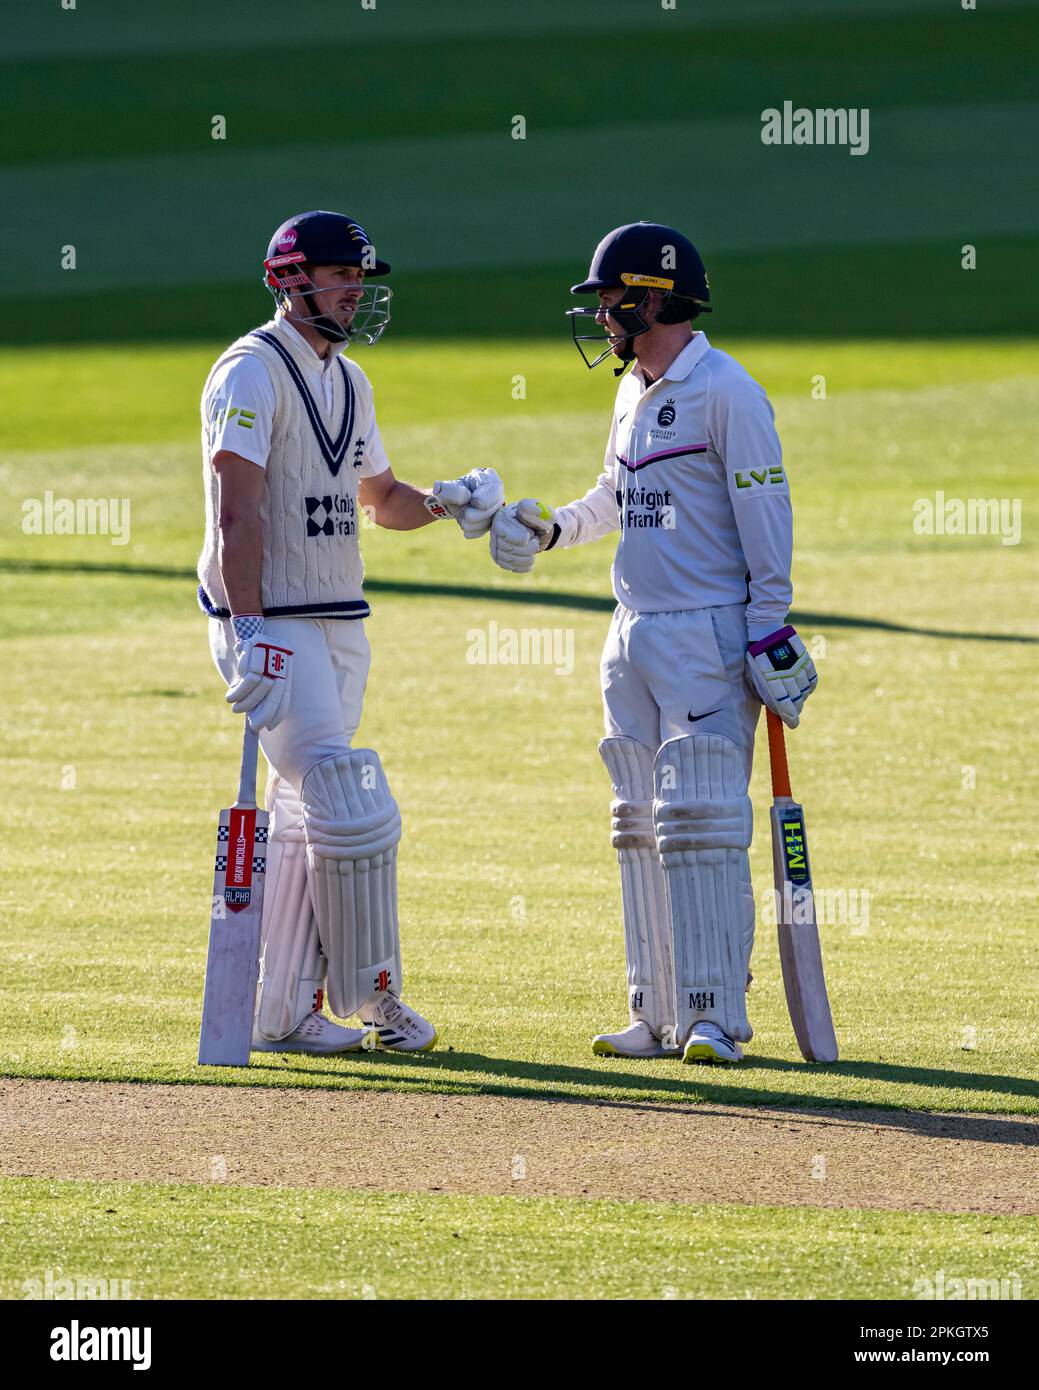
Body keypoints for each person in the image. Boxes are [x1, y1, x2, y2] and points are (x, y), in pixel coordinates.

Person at [489, 221, 817, 1064]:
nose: (600, 317)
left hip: (707, 629)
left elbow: (765, 515)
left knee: (703, 821)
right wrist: (555, 528)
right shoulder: (633, 386)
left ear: (651, 296)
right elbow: (613, 492)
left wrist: (767, 629)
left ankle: (715, 1016)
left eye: (608, 300)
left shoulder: (726, 390)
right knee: (637, 819)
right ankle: (656, 1008)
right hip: (629, 628)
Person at [197, 209, 503, 1055]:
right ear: (290, 281)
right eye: (341, 276)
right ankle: (378, 1001)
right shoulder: (249, 371)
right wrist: (249, 626)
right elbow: (236, 507)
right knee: (348, 798)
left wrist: (449, 502)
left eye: (360, 277)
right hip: (273, 621)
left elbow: (382, 500)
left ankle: (283, 1012)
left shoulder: (350, 380)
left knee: (307, 815)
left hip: (337, 620)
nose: (356, 291)